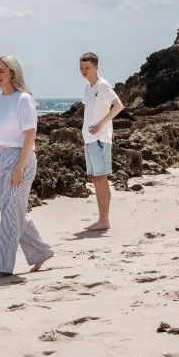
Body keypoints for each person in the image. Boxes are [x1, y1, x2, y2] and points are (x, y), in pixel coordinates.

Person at [0, 56, 54, 279]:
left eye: (2, 71)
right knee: (13, 212)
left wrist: (19, 168)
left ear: (13, 73)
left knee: (10, 216)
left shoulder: (23, 99)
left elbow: (30, 136)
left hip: (19, 159)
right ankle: (41, 251)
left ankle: (1, 266)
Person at [80, 52, 125, 232]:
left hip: (100, 138)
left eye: (87, 68)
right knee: (96, 178)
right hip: (89, 138)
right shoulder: (88, 87)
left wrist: (100, 125)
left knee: (101, 178)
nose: (84, 71)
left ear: (96, 67)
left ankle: (104, 220)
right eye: (82, 68)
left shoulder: (103, 85)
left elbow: (119, 106)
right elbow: (89, 111)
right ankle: (101, 219)